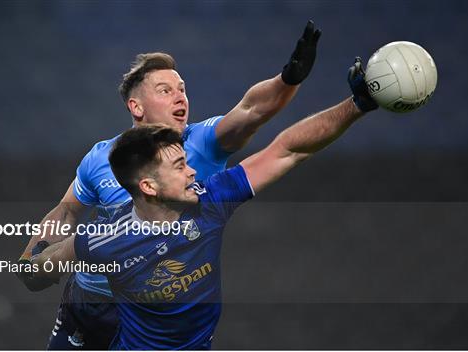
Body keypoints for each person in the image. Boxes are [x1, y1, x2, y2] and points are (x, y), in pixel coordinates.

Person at [23, 57, 380, 349]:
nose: (194, 173)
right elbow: (56, 239)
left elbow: (276, 136)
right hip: (91, 305)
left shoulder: (209, 184)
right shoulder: (105, 208)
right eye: (166, 90)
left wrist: (349, 102)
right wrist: (31, 261)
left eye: (183, 89)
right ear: (137, 106)